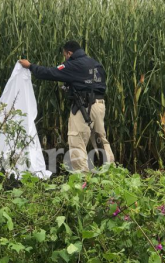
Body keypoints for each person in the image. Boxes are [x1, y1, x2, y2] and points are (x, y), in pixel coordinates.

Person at [19, 41, 115, 172]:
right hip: (99, 105)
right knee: (99, 138)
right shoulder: (95, 63)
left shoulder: (73, 64)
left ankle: (82, 178)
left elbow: (50, 72)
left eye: (65, 55)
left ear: (69, 53)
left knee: (77, 141)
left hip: (84, 107)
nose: (65, 58)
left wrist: (30, 66)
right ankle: (111, 173)